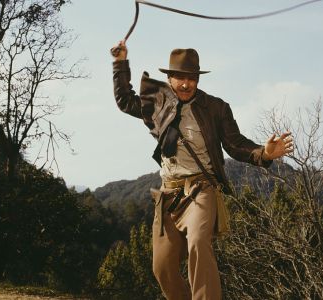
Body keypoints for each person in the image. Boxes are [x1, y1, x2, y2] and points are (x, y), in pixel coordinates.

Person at [111, 40, 293, 300]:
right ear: (170, 78)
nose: (186, 84)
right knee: (161, 269)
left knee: (198, 242)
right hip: (168, 195)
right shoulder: (159, 104)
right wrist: (120, 63)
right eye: (180, 78)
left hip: (201, 190)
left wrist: (263, 153)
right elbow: (125, 101)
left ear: (198, 79)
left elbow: (235, 144)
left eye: (191, 78)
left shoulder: (216, 108)